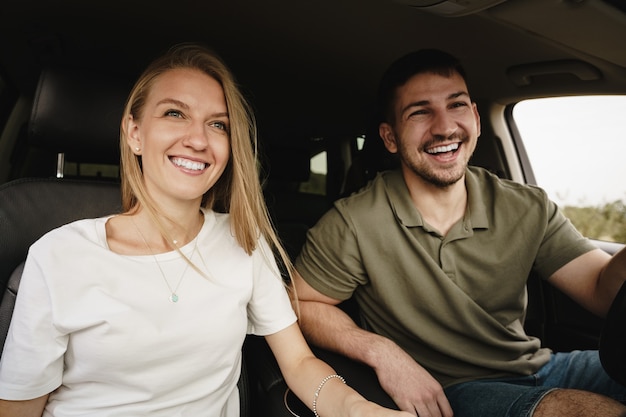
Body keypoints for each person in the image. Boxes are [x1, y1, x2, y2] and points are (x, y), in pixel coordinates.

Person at [0, 43, 413, 417]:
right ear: (135, 133)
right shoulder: (58, 256)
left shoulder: (245, 243)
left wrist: (358, 409)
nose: (198, 139)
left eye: (217, 124)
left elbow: (300, 364)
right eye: (175, 113)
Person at [292, 48, 626, 417]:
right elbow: (300, 304)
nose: (445, 127)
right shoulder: (354, 221)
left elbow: (600, 288)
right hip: (455, 391)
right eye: (420, 112)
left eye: (457, 105)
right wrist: (381, 353)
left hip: (541, 365)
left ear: (477, 119)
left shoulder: (526, 206)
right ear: (389, 137)